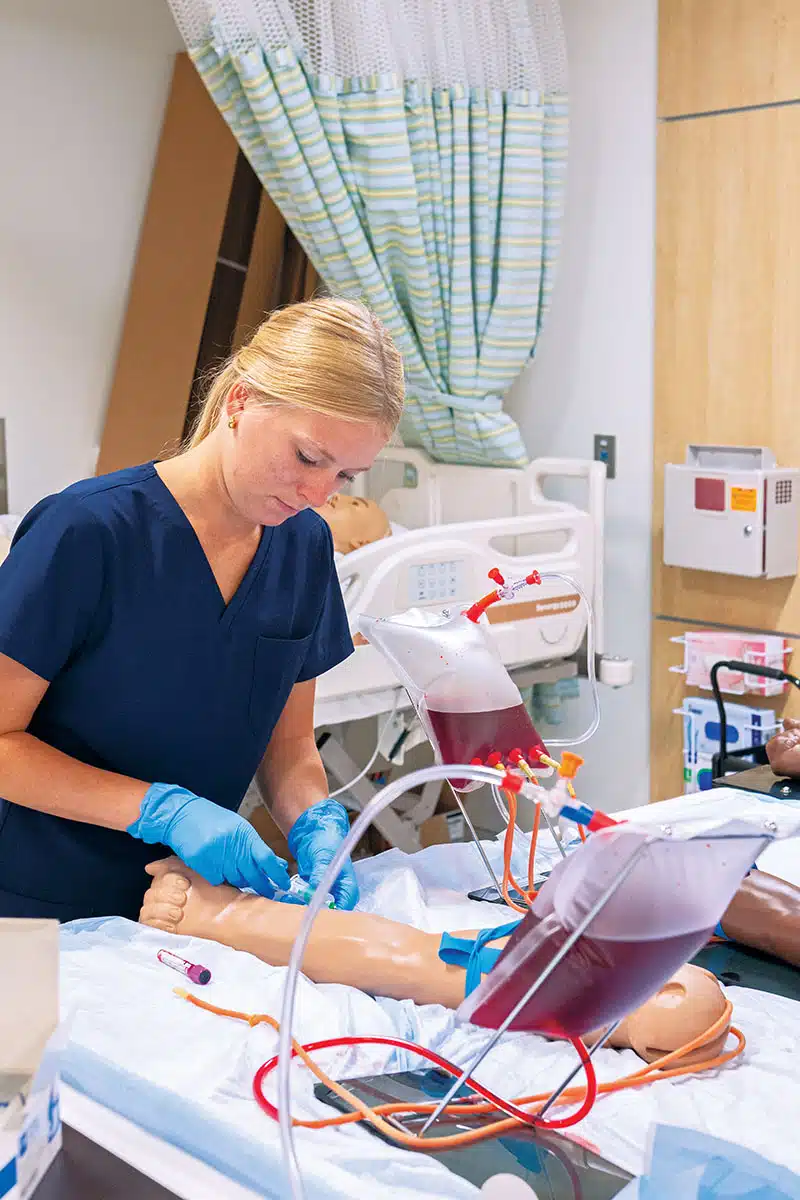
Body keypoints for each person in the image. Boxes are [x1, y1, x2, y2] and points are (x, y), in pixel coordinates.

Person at [0, 297, 404, 921]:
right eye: (307, 457)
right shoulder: (87, 531)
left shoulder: (303, 546)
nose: (318, 494)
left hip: (179, 906)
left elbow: (290, 747)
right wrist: (161, 809)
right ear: (240, 402)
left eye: (347, 476)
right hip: (33, 902)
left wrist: (316, 827)